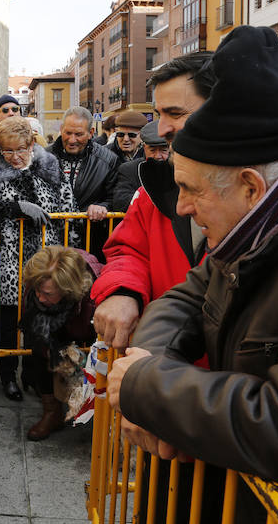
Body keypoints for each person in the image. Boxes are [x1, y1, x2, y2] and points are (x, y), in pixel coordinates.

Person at [107, 26, 278, 523]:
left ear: (251, 187)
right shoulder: (267, 217)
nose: (185, 207)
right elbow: (187, 294)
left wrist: (146, 386)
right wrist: (151, 364)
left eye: (191, 190)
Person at [91, 51, 214, 353]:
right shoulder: (154, 187)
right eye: (160, 115)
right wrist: (123, 291)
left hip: (221, 384)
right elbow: (128, 249)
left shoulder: (273, 197)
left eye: (175, 113)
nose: (161, 129)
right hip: (158, 360)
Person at [0, 116, 76, 402]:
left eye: (20, 149)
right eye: (7, 151)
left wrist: (68, 249)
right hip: (11, 259)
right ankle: (10, 375)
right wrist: (14, 207)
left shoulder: (51, 168)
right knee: (10, 320)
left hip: (46, 258)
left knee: (41, 319)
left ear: (30, 144)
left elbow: (69, 209)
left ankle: (34, 376)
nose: (14, 157)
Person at [20, 246, 100, 440]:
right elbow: (38, 337)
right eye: (37, 291)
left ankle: (99, 416)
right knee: (39, 348)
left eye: (47, 294)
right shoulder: (38, 281)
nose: (40, 297)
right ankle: (52, 413)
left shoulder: (94, 295)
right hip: (51, 327)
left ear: (67, 290)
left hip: (82, 323)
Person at [46, 106, 119, 257]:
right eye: (68, 133)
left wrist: (102, 206)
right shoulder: (43, 157)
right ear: (61, 129)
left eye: (79, 134)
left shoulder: (108, 160)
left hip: (89, 244)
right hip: (50, 245)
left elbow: (114, 198)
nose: (72, 140)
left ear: (91, 133)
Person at [110, 120, 170, 213]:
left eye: (163, 150)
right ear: (145, 148)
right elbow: (120, 203)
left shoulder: (179, 169)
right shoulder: (129, 169)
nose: (158, 156)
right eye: (152, 150)